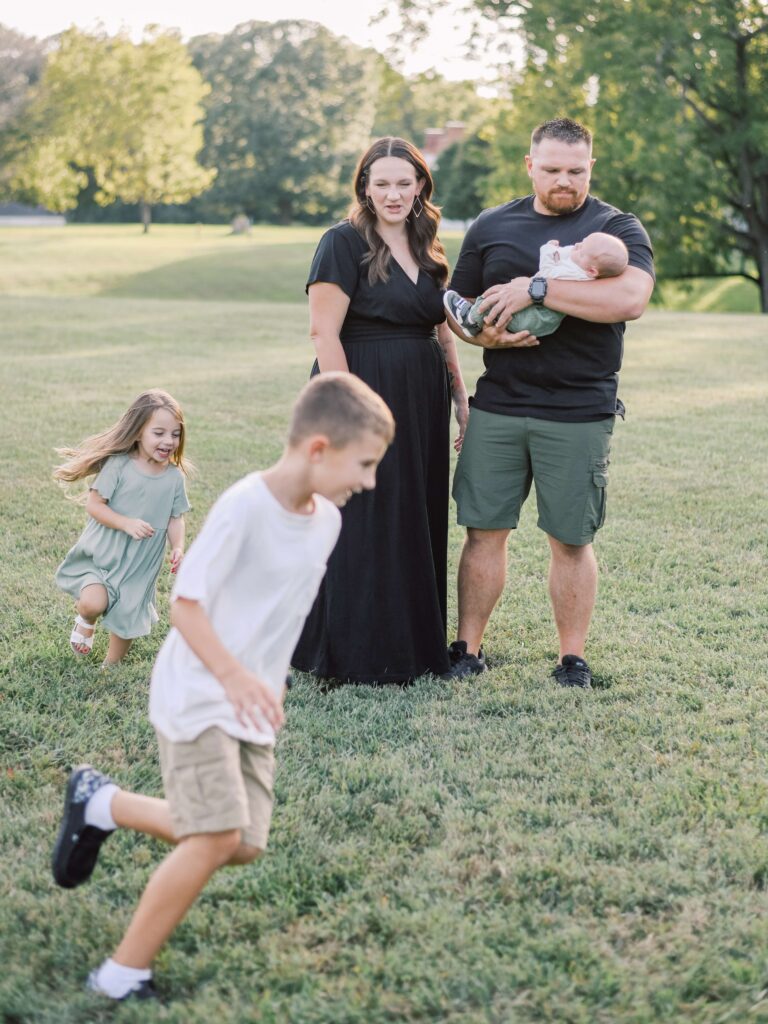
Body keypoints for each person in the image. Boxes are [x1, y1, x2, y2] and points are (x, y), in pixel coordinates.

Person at [51, 372, 394, 1002]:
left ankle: (102, 803)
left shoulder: (326, 523)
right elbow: (187, 607)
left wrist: (271, 682)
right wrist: (235, 677)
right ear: (319, 449)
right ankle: (120, 974)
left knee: (241, 843)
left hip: (251, 700)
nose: (368, 481)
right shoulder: (245, 506)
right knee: (210, 837)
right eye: (365, 464)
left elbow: (281, 611)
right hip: (201, 692)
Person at [443, 117, 655, 688]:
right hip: (500, 404)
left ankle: (571, 658)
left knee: (571, 538)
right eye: (554, 169)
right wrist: (479, 336)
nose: (566, 180)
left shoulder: (616, 227)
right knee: (483, 530)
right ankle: (466, 648)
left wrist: (536, 288)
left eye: (577, 170)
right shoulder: (493, 224)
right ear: (530, 165)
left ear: (591, 166)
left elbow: (630, 297)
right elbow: (456, 303)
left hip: (580, 410)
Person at [291, 136, 469, 684]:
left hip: (421, 400)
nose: (393, 194)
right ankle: (351, 652)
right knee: (360, 516)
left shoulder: (429, 244)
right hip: (362, 390)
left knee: (412, 510)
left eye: (403, 182)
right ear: (365, 188)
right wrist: (348, 409)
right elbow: (324, 332)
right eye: (382, 183)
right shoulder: (341, 243)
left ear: (420, 188)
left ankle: (410, 646)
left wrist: (460, 396)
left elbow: (441, 330)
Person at [54, 389, 191, 667]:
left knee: (128, 613)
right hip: (105, 553)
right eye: (159, 433)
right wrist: (125, 523)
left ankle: (111, 665)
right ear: (139, 432)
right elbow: (95, 505)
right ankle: (86, 619)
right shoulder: (119, 465)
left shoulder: (174, 478)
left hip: (140, 563)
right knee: (93, 602)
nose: (168, 441)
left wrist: (177, 547)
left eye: (175, 434)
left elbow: (175, 518)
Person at [444, 232, 628, 339]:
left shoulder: (573, 273)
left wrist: (548, 249)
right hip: (544, 322)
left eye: (581, 249)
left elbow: (547, 271)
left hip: (535, 317)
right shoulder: (588, 276)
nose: (576, 245)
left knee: (497, 297)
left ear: (592, 270)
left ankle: (471, 319)